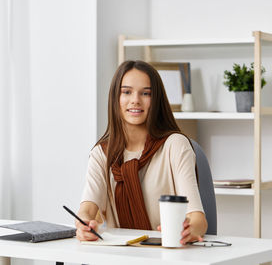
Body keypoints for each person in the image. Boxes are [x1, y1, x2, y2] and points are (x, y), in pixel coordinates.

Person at [76, 60, 207, 245]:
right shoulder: (101, 154)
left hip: (167, 254)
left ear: (157, 100)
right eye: (126, 92)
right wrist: (82, 224)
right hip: (118, 256)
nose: (135, 100)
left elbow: (198, 219)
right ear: (115, 98)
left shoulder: (175, 145)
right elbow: (88, 208)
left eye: (146, 93)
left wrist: (189, 230)